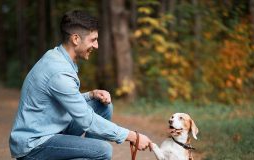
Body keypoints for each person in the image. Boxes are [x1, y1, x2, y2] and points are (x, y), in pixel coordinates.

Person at [9, 10, 153, 160]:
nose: (96, 45)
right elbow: (86, 119)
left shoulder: (58, 57)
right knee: (102, 150)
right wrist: (132, 136)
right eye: (93, 40)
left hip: (53, 130)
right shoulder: (58, 71)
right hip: (35, 145)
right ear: (76, 39)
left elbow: (64, 100)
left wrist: (91, 95)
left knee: (102, 106)